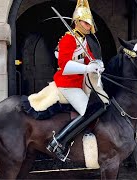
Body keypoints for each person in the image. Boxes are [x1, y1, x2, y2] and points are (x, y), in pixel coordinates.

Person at [46, 0, 109, 161]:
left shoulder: (83, 40)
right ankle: (58, 142)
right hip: (68, 83)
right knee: (89, 110)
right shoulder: (69, 38)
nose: (89, 26)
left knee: (100, 102)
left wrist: (97, 65)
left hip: (81, 83)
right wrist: (87, 69)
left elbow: (90, 60)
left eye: (90, 23)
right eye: (86, 22)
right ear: (77, 22)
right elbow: (64, 65)